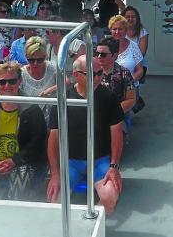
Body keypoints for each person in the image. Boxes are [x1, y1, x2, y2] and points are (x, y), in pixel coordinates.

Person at [47, 55, 124, 215]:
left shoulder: (109, 98)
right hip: (71, 162)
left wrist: (114, 166)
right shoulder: (63, 99)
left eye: (100, 73)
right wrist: (55, 174)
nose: (97, 78)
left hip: (100, 161)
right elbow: (53, 140)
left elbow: (117, 135)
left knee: (109, 197)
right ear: (76, 75)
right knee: (55, 200)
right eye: (91, 74)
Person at [0, 62, 47, 200]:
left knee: (18, 195)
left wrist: (14, 161)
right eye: (2, 82)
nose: (7, 86)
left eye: (12, 81)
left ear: (20, 81)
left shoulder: (32, 110)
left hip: (24, 161)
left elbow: (37, 144)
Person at [20, 36, 57, 127]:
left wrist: (52, 89)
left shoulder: (53, 68)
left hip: (53, 122)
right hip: (29, 122)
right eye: (31, 60)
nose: (35, 63)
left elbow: (68, 82)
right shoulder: (21, 74)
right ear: (26, 57)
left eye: (40, 60)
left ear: (45, 56)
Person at [97, 37, 137, 115]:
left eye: (103, 54)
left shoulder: (124, 73)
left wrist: (114, 113)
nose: (99, 57)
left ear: (115, 56)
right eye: (96, 53)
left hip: (117, 115)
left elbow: (131, 99)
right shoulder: (90, 72)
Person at [109, 15, 144, 87]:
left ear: (126, 30)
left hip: (129, 88)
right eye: (114, 29)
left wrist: (127, 83)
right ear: (110, 30)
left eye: (120, 29)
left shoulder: (133, 46)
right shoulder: (105, 46)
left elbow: (140, 71)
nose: (117, 32)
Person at [122, 6, 148, 82]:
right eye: (127, 17)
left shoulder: (143, 32)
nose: (130, 19)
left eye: (133, 17)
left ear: (137, 19)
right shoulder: (119, 31)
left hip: (138, 63)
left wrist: (128, 63)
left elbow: (141, 54)